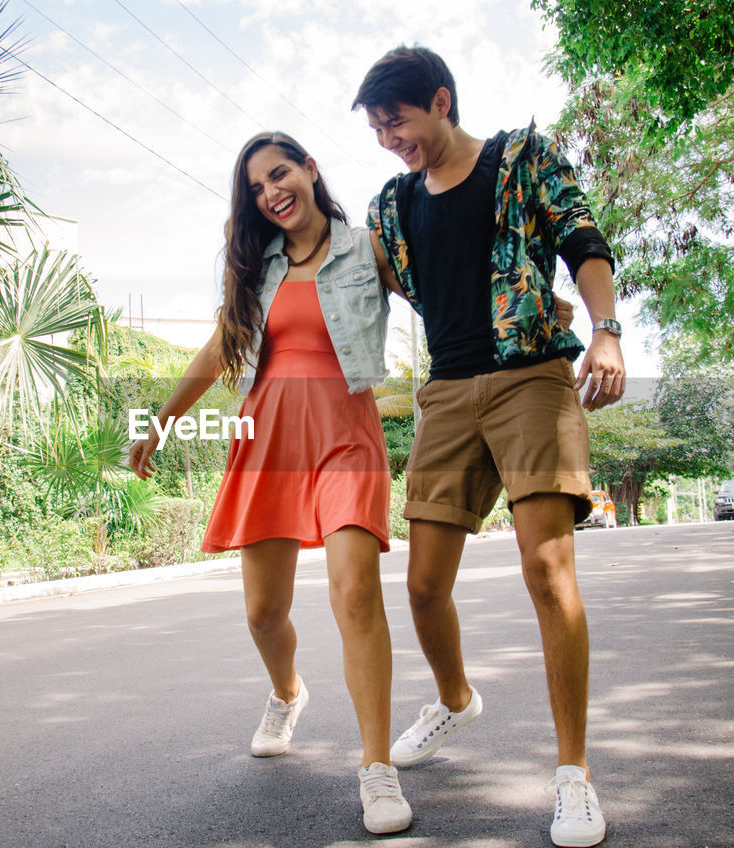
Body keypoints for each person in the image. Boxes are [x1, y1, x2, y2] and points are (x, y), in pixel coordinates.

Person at [352, 46, 626, 848]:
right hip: (445, 395)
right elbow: (372, 281)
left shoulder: (519, 159)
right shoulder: (392, 205)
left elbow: (582, 239)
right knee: (424, 586)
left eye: (395, 120)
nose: (387, 137)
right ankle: (455, 698)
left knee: (548, 569)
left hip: (531, 379)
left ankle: (573, 777)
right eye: (375, 128)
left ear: (440, 100)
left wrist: (604, 331)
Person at [127, 132, 413, 835]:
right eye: (256, 187)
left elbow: (441, 296)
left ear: (310, 170)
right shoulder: (261, 269)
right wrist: (160, 421)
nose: (270, 192)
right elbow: (219, 345)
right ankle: (287, 692)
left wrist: (527, 319)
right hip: (268, 439)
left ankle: (377, 768)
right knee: (262, 613)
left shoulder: (368, 247)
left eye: (279, 174)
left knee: (354, 592)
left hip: (345, 432)